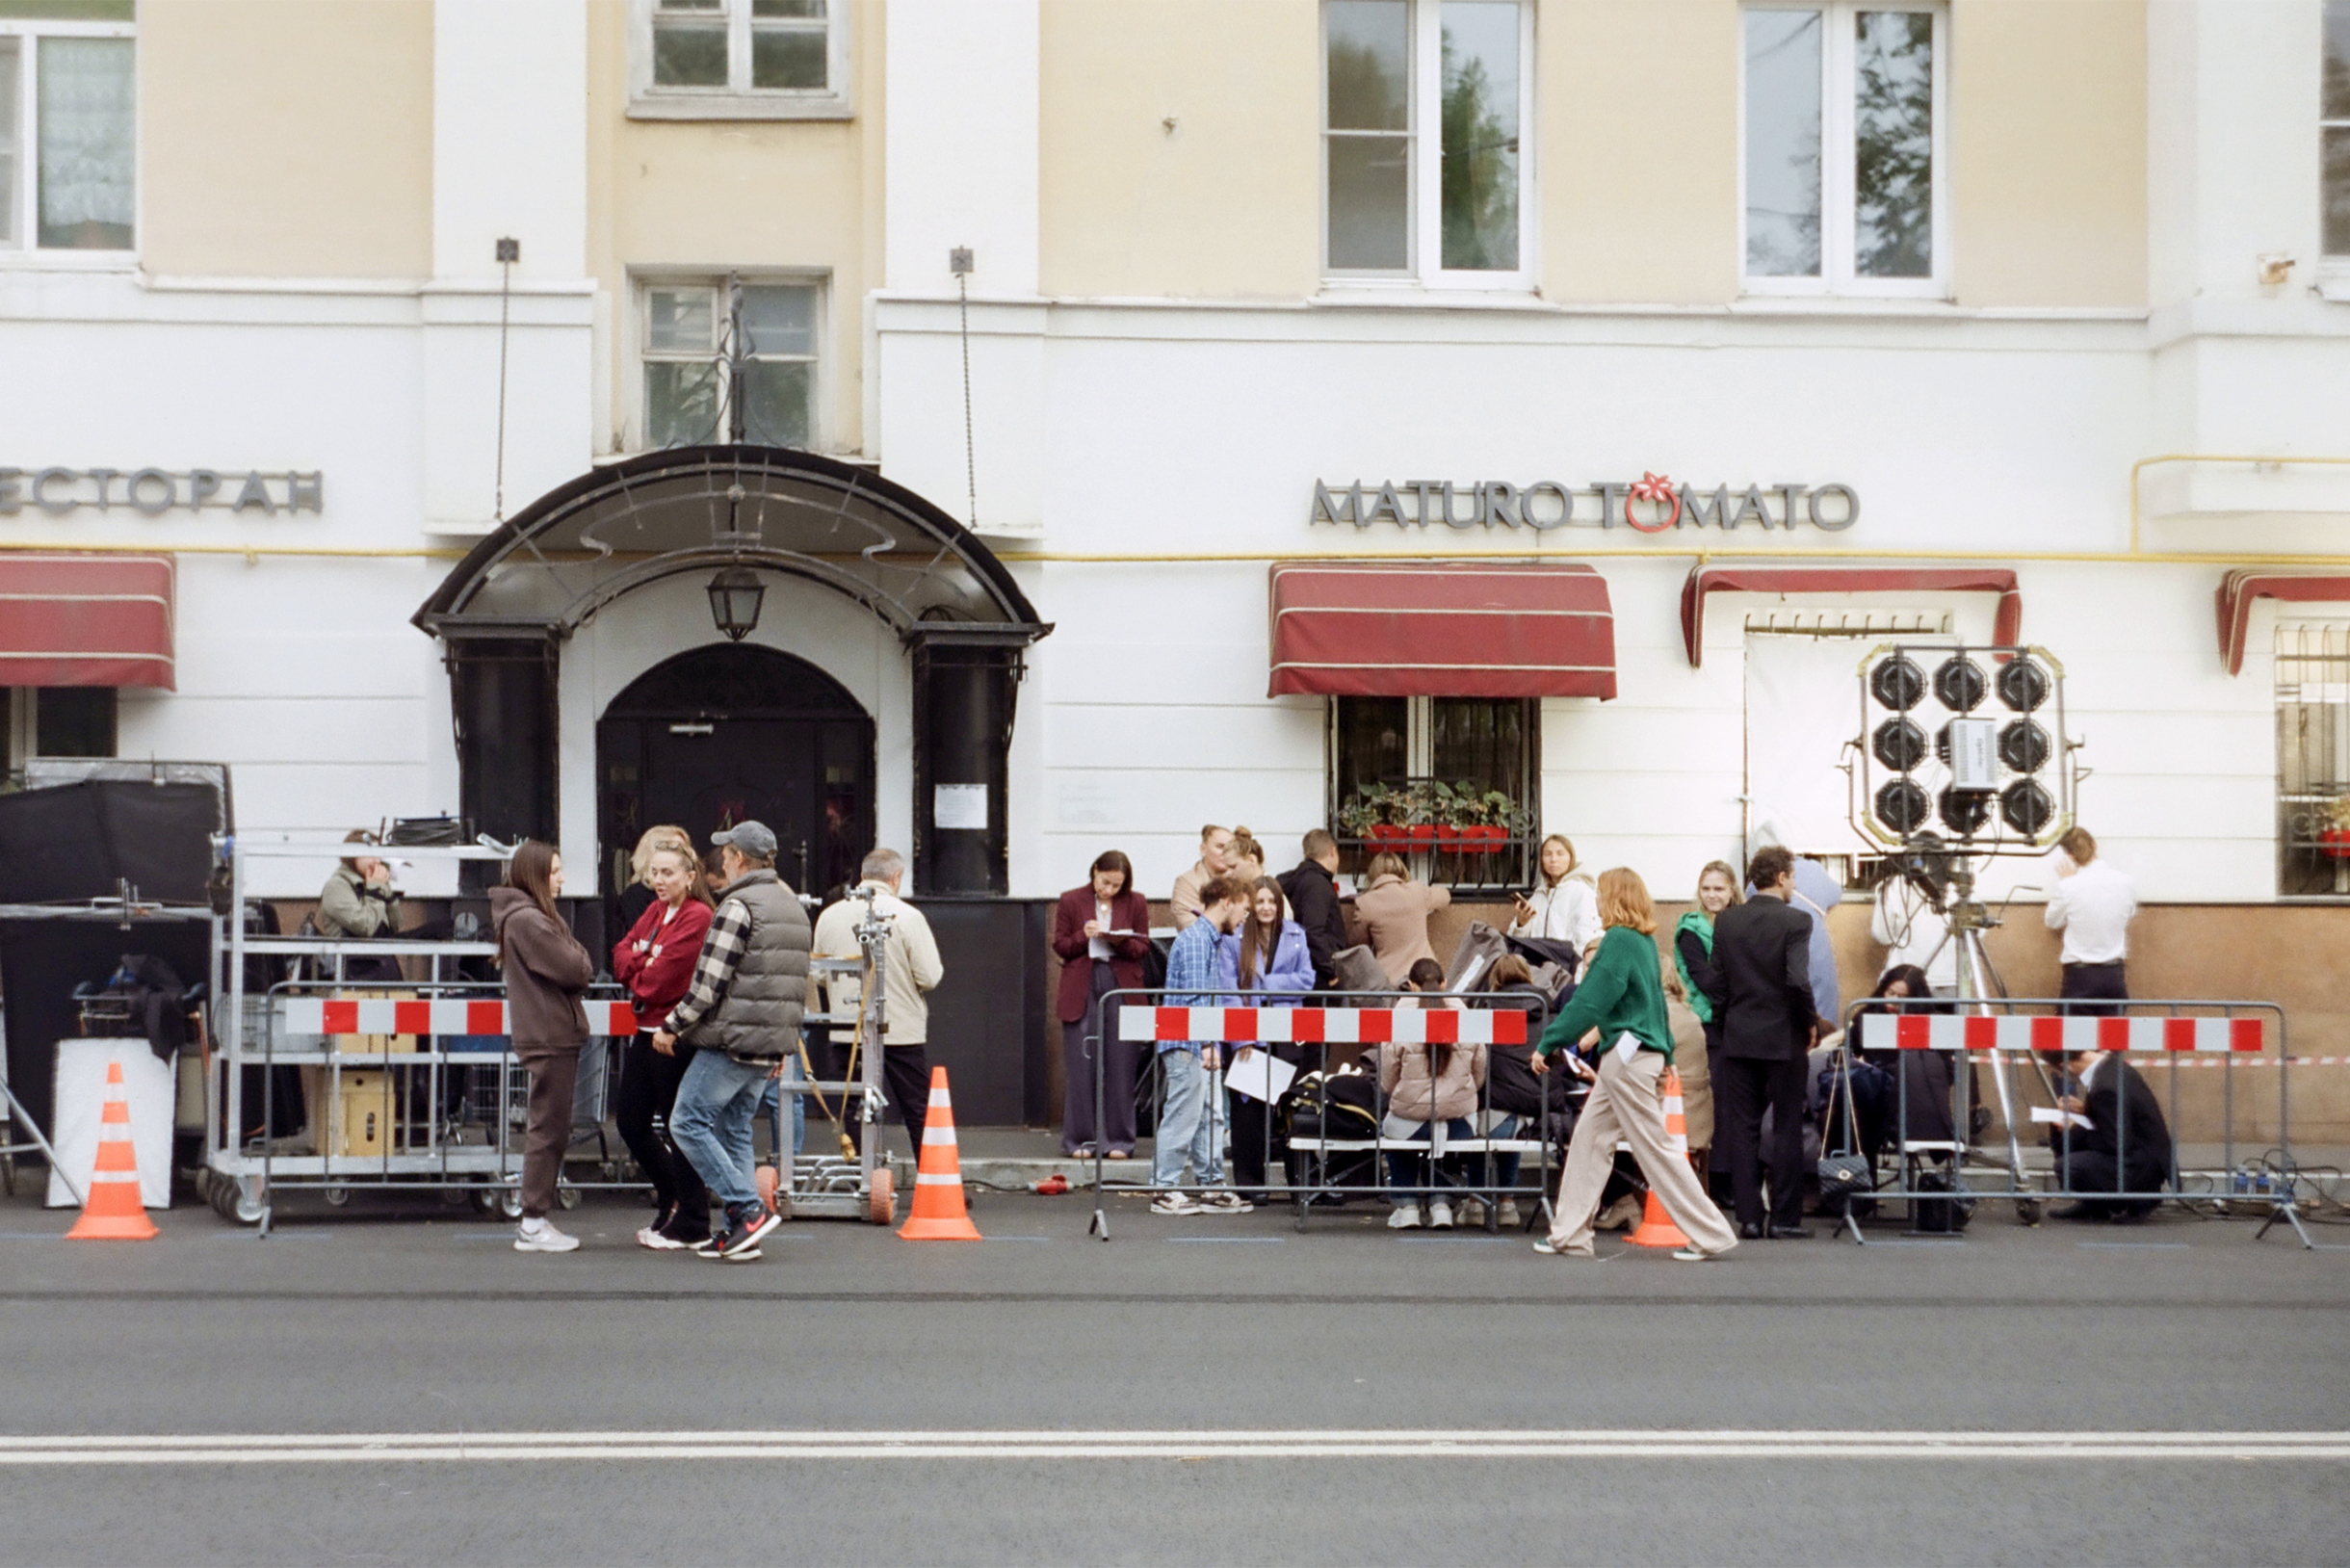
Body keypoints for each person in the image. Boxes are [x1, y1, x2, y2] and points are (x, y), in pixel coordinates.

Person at [1530, 868, 1740, 1263]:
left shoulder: (1618, 941)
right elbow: (1657, 1003)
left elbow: (1591, 1001)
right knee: (1591, 1143)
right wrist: (1668, 1054)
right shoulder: (1643, 941)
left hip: (1625, 1060)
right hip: (1638, 1055)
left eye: (1600, 895)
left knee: (1652, 1149)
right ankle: (1569, 1233)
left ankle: (1711, 1233)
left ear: (1613, 899)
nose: (1595, 901)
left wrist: (1550, 1041)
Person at [652, 822, 810, 1263]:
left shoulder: (738, 905)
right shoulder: (792, 906)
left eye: (725, 854)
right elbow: (794, 985)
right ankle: (742, 1235)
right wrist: (785, 1044)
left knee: (686, 1122)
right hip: (770, 1041)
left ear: (740, 858)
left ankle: (746, 1209)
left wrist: (673, 1025)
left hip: (731, 1039)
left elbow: (708, 984)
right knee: (736, 1130)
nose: (719, 860)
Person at [1704, 846, 1824, 1241]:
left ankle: (1750, 1219)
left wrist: (1724, 1026)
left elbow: (1716, 985)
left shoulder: (1728, 921)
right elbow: (1797, 980)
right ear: (1783, 877)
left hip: (1739, 1035)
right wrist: (1809, 1022)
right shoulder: (1797, 921)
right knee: (1787, 1126)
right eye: (1792, 877)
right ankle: (1785, 1219)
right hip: (1784, 1037)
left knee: (1743, 1128)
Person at [488, 840, 595, 1255]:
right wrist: (578, 956)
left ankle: (534, 1218)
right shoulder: (530, 921)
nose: (562, 879)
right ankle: (532, 1220)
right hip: (550, 1033)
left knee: (548, 1127)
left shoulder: (522, 918)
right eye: (554, 871)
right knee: (548, 1129)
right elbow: (576, 967)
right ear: (534, 875)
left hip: (548, 1031)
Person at [611, 837, 715, 1250]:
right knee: (631, 1123)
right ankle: (675, 1199)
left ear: (690, 878)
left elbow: (658, 981)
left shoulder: (698, 916)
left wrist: (643, 960)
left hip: (676, 1035)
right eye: (653, 872)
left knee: (679, 1126)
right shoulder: (655, 911)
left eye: (667, 872)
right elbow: (619, 956)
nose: (658, 880)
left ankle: (693, 1219)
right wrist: (643, 959)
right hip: (646, 1031)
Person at [810, 849, 946, 1159]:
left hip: (848, 1028)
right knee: (917, 1109)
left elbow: (818, 974)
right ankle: (934, 1180)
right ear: (896, 878)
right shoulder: (909, 916)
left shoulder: (830, 915)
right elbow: (929, 977)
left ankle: (860, 1179)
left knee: (854, 1106)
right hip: (900, 1030)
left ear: (862, 876)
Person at [1150, 874, 1253, 1215]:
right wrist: (1209, 1043)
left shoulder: (1207, 940)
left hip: (1194, 1042)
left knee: (1209, 1114)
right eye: (1244, 908)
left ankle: (1210, 1185)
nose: (1244, 917)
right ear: (1227, 900)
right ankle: (1165, 1188)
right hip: (1189, 1043)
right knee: (1184, 1114)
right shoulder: (1197, 941)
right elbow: (1195, 1000)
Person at [1214, 875, 1315, 1202]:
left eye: (1272, 901)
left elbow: (1306, 980)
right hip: (1250, 1037)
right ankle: (1250, 1186)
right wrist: (1239, 1038)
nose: (1267, 907)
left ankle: (1302, 1185)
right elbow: (1229, 993)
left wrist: (1268, 982)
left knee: (1292, 1112)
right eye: (1260, 901)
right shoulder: (1234, 941)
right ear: (1251, 906)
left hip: (1287, 1035)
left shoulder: (1296, 935)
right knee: (1249, 1117)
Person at [1051, 849, 1152, 1158]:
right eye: (1105, 882)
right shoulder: (1071, 900)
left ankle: (1119, 1140)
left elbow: (1142, 946)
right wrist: (1084, 936)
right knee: (1082, 1064)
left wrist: (1118, 941)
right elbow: (1061, 945)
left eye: (1116, 885)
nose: (1109, 890)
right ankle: (1080, 1140)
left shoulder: (1135, 901)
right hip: (1082, 980)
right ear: (1094, 871)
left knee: (1121, 1064)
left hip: (1121, 982)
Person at [1377, 973, 1489, 1231]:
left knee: (1395, 1133)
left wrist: (1406, 1098)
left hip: (1412, 1122)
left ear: (1412, 986)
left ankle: (1407, 1207)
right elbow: (1479, 1073)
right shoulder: (1466, 1019)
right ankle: (1441, 1205)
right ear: (1444, 984)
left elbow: (1387, 1081)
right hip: (1460, 1124)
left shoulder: (1399, 1021)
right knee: (1443, 1131)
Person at [2049, 1044, 2173, 1221]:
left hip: (2140, 1164)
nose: (2061, 1076)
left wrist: (2076, 1127)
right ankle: (2093, 1204)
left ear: (2065, 1065)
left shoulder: (2105, 1085)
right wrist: (2085, 1111)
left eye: (2057, 1072)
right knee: (2059, 1130)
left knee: (2068, 1166)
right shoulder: (2109, 1067)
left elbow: (2114, 1143)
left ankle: (2138, 1200)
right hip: (2141, 1155)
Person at [2045, 826, 2136, 1016]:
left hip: (2080, 976)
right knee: (2109, 1040)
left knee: (2075, 1040)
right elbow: (2130, 912)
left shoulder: (2068, 886)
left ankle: (2085, 1049)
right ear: (2094, 845)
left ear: (2069, 855)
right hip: (2114, 974)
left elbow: (2052, 922)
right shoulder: (2125, 882)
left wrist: (2066, 882)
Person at [1674, 860, 1740, 1076]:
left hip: (1739, 1020)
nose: (1711, 895)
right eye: (1706, 889)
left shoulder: (1743, 922)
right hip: (1708, 1022)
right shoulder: (1690, 928)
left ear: (1732, 890)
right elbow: (1704, 979)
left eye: (1719, 889)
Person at [317, 830, 407, 982]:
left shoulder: (373, 882)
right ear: (352, 857)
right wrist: (375, 892)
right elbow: (364, 926)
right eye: (369, 855)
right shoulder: (338, 885)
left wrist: (387, 894)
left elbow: (395, 925)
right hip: (354, 974)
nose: (376, 861)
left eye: (378, 854)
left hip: (383, 969)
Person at [1353, 852, 1451, 985]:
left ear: (1372, 874)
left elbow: (1358, 944)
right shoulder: (1417, 891)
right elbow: (1445, 896)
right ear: (1402, 870)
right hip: (1425, 977)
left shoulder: (1365, 903)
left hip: (1389, 981)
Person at [1277, 829, 1352, 988]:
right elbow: (1313, 932)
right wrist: (1331, 972)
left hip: (1302, 970)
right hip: (1320, 976)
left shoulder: (1295, 879)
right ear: (1333, 851)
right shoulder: (1317, 884)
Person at [1509, 833, 1602, 961]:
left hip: (1566, 968)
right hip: (1537, 967)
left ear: (1571, 857)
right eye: (1547, 854)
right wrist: (1521, 924)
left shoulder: (1581, 891)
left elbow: (1587, 938)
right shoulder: (1538, 895)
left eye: (1560, 853)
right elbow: (1515, 940)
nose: (1553, 859)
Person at [1871, 865, 1956, 996]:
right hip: (1951, 979)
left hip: (1905, 981)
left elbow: (1882, 936)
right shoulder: (1960, 885)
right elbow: (1977, 933)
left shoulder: (1895, 885)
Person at [615, 823, 695, 936]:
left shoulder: (693, 893)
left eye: (686, 849)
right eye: (677, 850)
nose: (687, 855)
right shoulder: (635, 897)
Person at [1171, 823, 1240, 930]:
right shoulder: (1187, 883)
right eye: (1220, 847)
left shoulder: (1240, 881)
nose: (1226, 853)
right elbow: (1190, 927)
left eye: (1231, 848)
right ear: (1203, 849)